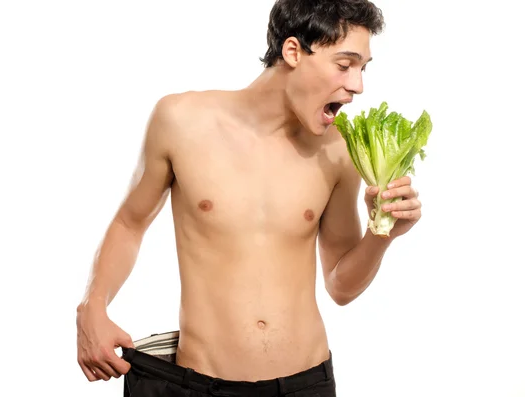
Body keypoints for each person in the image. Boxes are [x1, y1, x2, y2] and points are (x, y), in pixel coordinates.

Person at [76, 1, 422, 396]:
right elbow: (129, 223)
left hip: (304, 385)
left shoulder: (337, 150)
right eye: (345, 65)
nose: (358, 85)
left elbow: (340, 285)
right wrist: (93, 306)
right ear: (293, 52)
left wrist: (383, 235)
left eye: (364, 68)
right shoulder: (182, 121)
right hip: (199, 384)